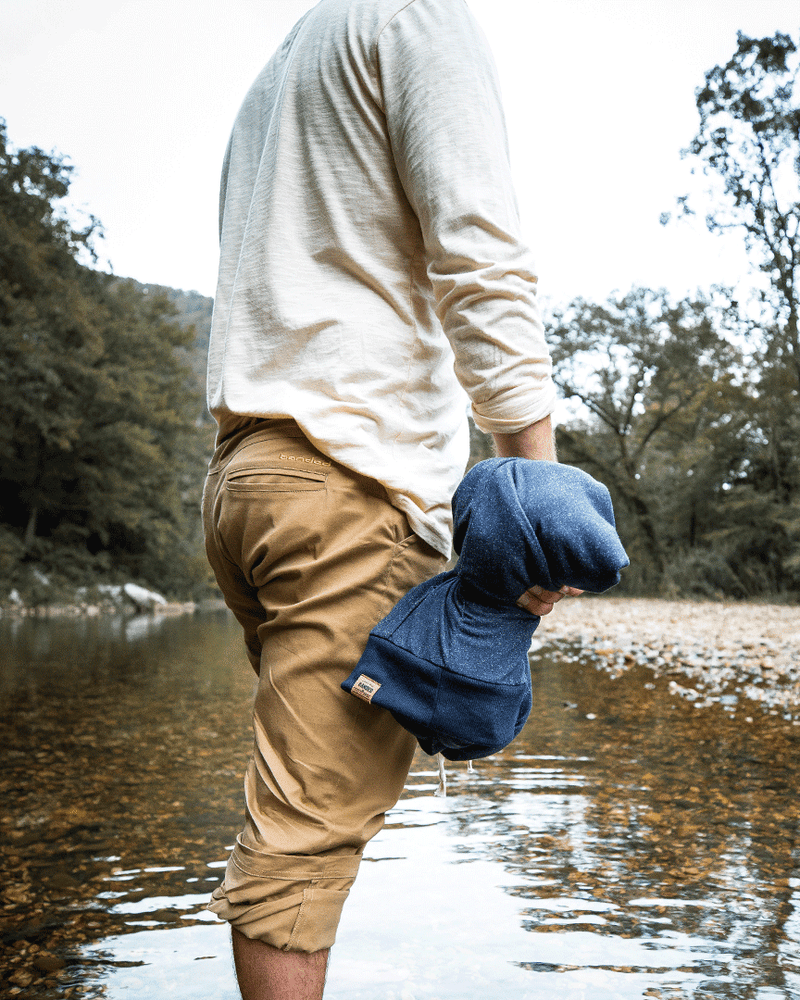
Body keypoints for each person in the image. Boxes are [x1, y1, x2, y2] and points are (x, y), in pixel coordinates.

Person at [202, 1, 577, 997]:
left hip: (251, 476)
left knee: (296, 811)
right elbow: (482, 263)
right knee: (300, 851)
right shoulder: (418, 20)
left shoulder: (284, 64)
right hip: (348, 482)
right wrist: (531, 506)